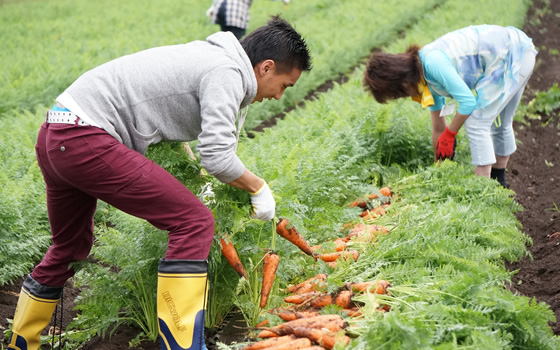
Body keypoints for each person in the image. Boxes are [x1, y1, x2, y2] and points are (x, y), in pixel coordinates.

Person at [7, 15, 311, 350]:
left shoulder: (213, 60)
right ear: (266, 68)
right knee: (194, 222)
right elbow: (217, 156)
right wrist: (258, 187)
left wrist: (198, 179)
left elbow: (165, 121)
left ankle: (23, 344)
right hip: (84, 137)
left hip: (57, 132)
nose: (280, 97)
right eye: (285, 86)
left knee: (69, 247)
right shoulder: (226, 72)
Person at [363, 25, 537, 187]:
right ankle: (499, 184)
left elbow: (468, 102)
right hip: (518, 53)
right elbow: (438, 128)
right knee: (500, 122)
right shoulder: (423, 80)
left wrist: (450, 133)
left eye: (396, 94)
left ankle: (483, 190)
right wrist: (440, 169)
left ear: (402, 82)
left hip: (512, 54)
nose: (401, 97)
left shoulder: (432, 64)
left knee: (477, 122)